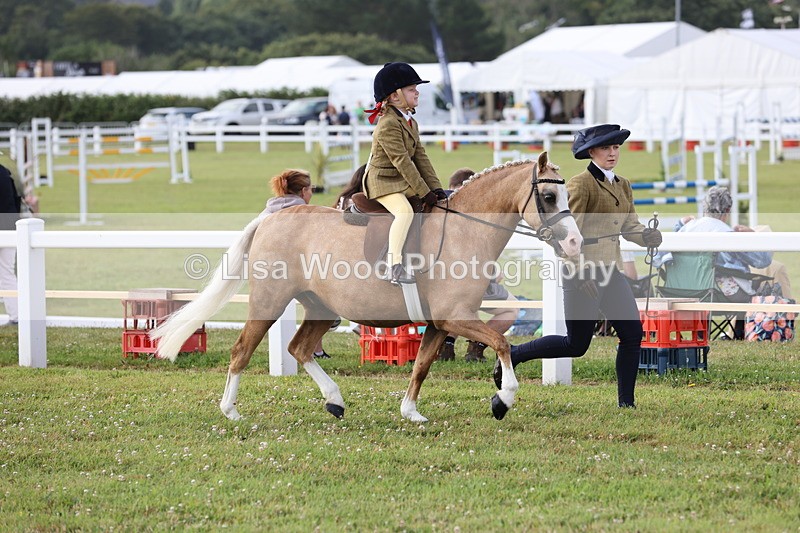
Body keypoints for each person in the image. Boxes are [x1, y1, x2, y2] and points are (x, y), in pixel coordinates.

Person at [493, 124, 662, 408]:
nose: (612, 153)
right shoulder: (580, 185)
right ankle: (515, 354)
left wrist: (645, 236)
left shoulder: (623, 185)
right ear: (592, 152)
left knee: (632, 335)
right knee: (576, 345)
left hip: (611, 271)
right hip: (581, 273)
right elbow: (565, 233)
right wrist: (579, 271)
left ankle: (626, 404)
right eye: (606, 148)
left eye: (616, 148)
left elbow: (629, 226)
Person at [362, 62, 446, 285]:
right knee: (405, 212)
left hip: (400, 179)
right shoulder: (388, 124)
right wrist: (423, 191)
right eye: (411, 89)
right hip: (383, 182)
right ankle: (394, 266)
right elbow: (403, 162)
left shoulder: (409, 121)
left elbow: (421, 158)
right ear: (395, 96)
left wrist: (436, 188)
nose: (417, 91)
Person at [437, 167, 519, 362]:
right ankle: (477, 347)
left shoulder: (440, 207)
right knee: (511, 308)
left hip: (442, 280)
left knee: (457, 308)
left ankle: (446, 346)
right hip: (472, 276)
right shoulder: (477, 209)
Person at [669, 186, 772, 339]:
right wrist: (753, 235)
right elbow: (763, 261)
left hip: (681, 290)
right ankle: (739, 335)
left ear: (705, 207)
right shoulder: (727, 234)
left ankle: (701, 334)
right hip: (718, 293)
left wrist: (679, 223)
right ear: (728, 210)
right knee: (753, 290)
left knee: (706, 278)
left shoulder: (686, 229)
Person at [263, 168, 333, 358]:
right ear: (303, 192)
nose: (311, 193)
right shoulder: (305, 215)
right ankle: (316, 348)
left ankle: (316, 348)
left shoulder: (267, 211)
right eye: (311, 189)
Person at [1, 161, 21, 325]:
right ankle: (16, 315)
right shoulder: (5, 173)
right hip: (9, 226)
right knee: (7, 273)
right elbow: (16, 200)